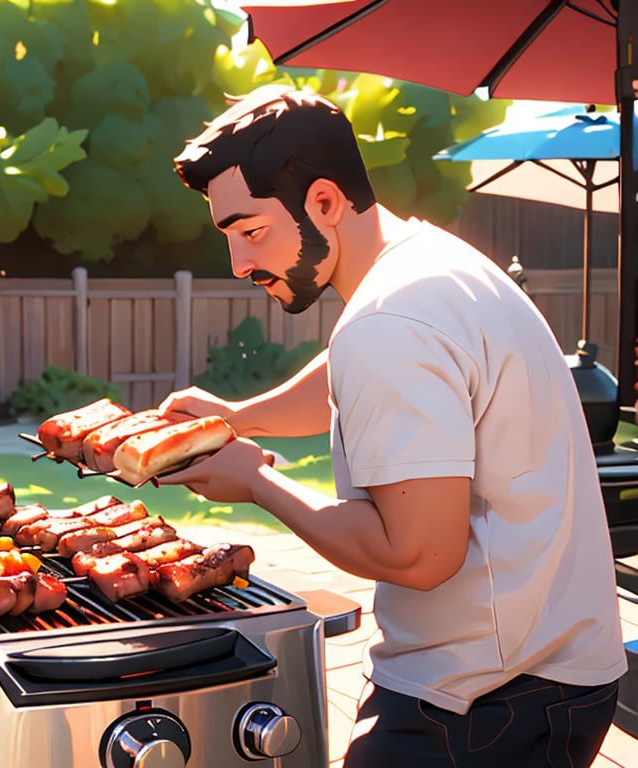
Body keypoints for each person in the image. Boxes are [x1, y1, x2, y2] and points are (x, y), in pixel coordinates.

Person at [158, 84, 627, 767]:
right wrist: (239, 417)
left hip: (481, 697)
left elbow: (418, 556)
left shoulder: (390, 321)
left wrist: (258, 483)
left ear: (324, 201)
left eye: (251, 232)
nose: (241, 264)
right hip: (556, 671)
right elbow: (352, 373)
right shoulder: (426, 268)